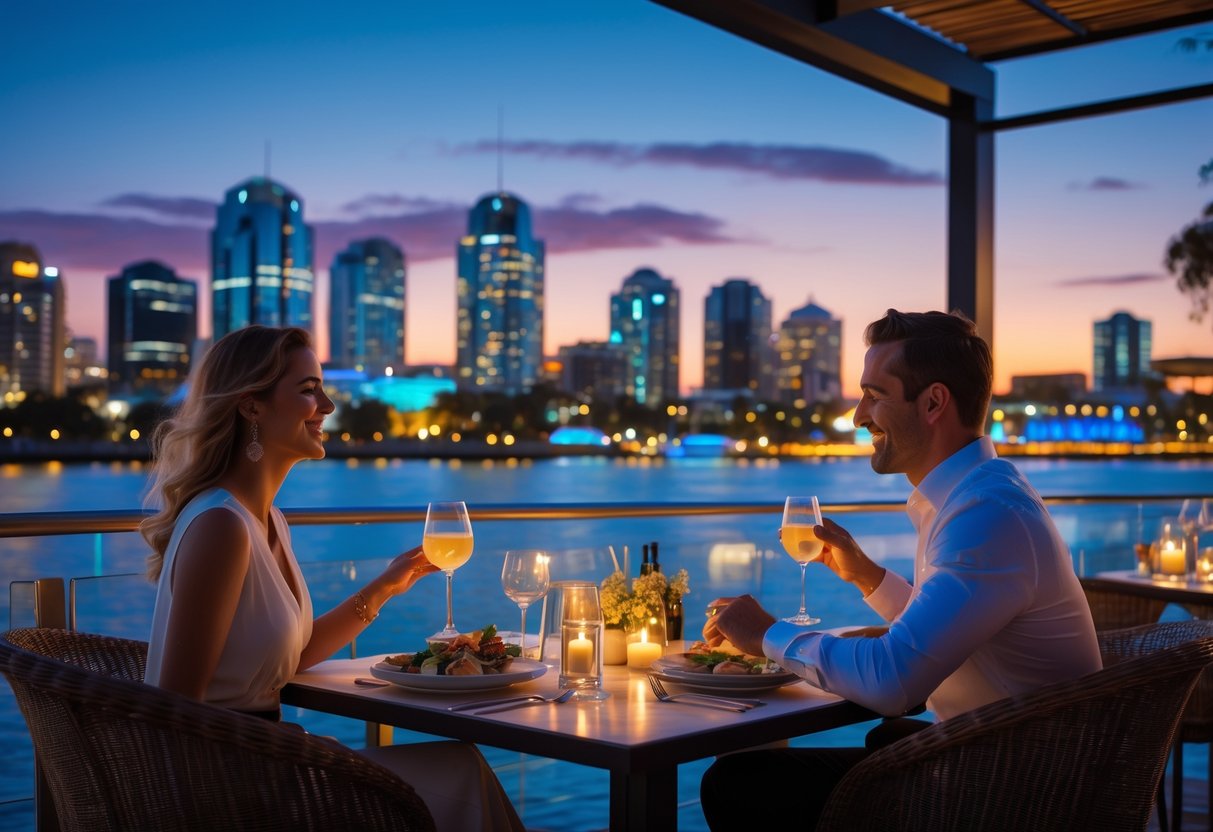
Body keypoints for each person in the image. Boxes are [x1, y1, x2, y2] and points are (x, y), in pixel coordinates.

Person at [699, 309, 1101, 830]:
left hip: (1013, 793)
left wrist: (766, 635)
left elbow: (894, 682)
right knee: (877, 742)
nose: (858, 416)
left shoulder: (987, 515)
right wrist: (868, 577)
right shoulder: (975, 496)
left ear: (933, 402)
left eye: (875, 395)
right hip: (994, 757)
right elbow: (955, 629)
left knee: (741, 785)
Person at [141, 325, 524, 832]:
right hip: (231, 791)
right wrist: (299, 752)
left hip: (267, 764)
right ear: (250, 406)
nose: (327, 405)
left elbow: (290, 656)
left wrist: (387, 585)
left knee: (459, 768)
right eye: (307, 389)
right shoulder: (221, 526)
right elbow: (178, 709)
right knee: (460, 772)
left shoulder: (266, 519)